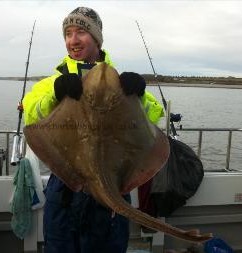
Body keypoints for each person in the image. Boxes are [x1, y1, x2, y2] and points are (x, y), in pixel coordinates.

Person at [22, 7, 164, 253]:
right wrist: (55, 95)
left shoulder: (120, 82)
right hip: (67, 186)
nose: (73, 40)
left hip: (114, 183)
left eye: (81, 32)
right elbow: (31, 114)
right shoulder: (52, 81)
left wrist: (139, 95)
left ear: (97, 39)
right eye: (68, 33)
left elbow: (155, 116)